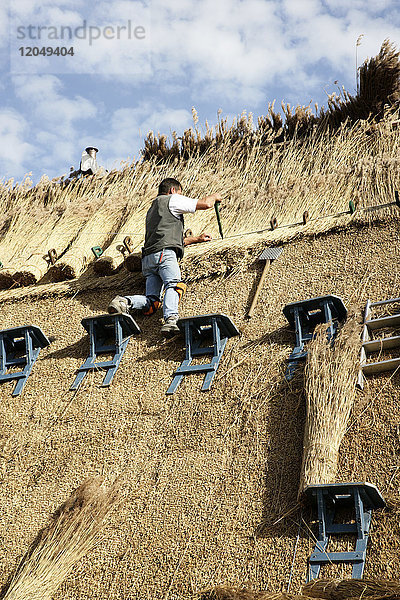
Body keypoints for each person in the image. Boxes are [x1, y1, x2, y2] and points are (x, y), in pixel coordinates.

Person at [108, 177, 222, 336]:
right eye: (180, 193)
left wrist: (196, 239)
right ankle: (171, 320)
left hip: (148, 259)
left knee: (152, 301)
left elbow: (166, 236)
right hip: (164, 255)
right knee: (174, 285)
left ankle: (124, 302)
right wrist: (215, 196)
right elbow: (206, 204)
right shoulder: (172, 199)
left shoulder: (152, 208)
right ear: (173, 191)